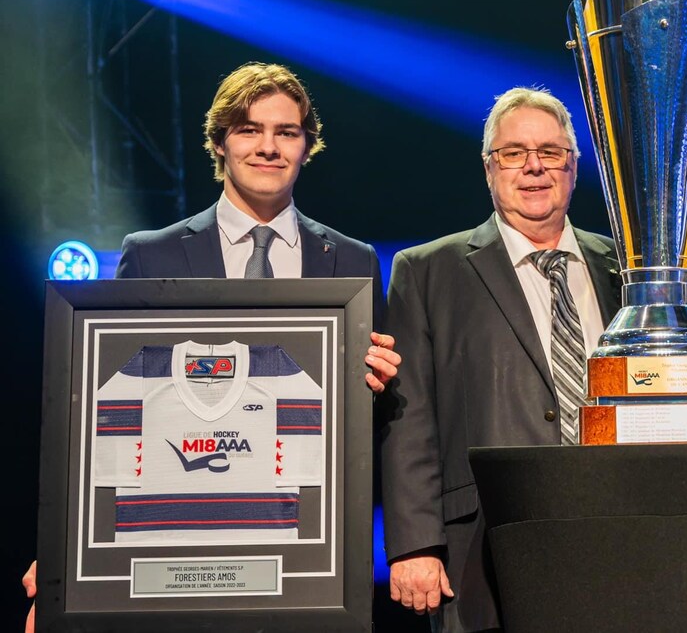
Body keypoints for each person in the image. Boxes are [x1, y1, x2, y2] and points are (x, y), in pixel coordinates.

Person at [23, 62, 401, 633]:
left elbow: (371, 423)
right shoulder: (151, 255)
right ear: (220, 141)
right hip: (182, 538)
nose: (268, 147)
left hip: (308, 542)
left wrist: (377, 384)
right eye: (249, 129)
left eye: (287, 132)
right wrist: (70, 547)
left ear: (307, 146)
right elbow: (107, 417)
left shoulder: (351, 261)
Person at [379, 86, 621, 632]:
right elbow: (408, 416)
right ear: (489, 168)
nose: (533, 167)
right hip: (481, 542)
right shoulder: (428, 270)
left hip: (614, 526)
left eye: (551, 152)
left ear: (574, 167)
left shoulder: (621, 267)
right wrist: (415, 543)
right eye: (513, 153)